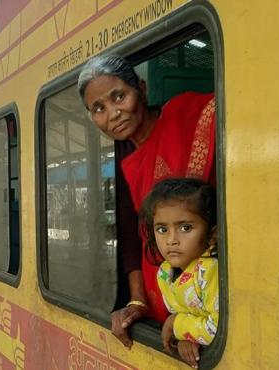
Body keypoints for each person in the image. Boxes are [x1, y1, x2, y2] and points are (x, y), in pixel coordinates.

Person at [77, 55, 215, 347]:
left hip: (208, 296)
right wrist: (137, 301)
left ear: (141, 89)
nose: (113, 113)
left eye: (119, 96)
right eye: (98, 108)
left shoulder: (185, 114)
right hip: (164, 301)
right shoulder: (126, 158)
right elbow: (132, 234)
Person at [140, 178, 218, 368]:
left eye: (185, 228)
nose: (171, 240)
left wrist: (175, 324)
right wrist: (187, 338)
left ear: (211, 234)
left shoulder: (210, 271)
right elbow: (190, 319)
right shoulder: (165, 273)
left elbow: (218, 329)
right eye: (162, 229)